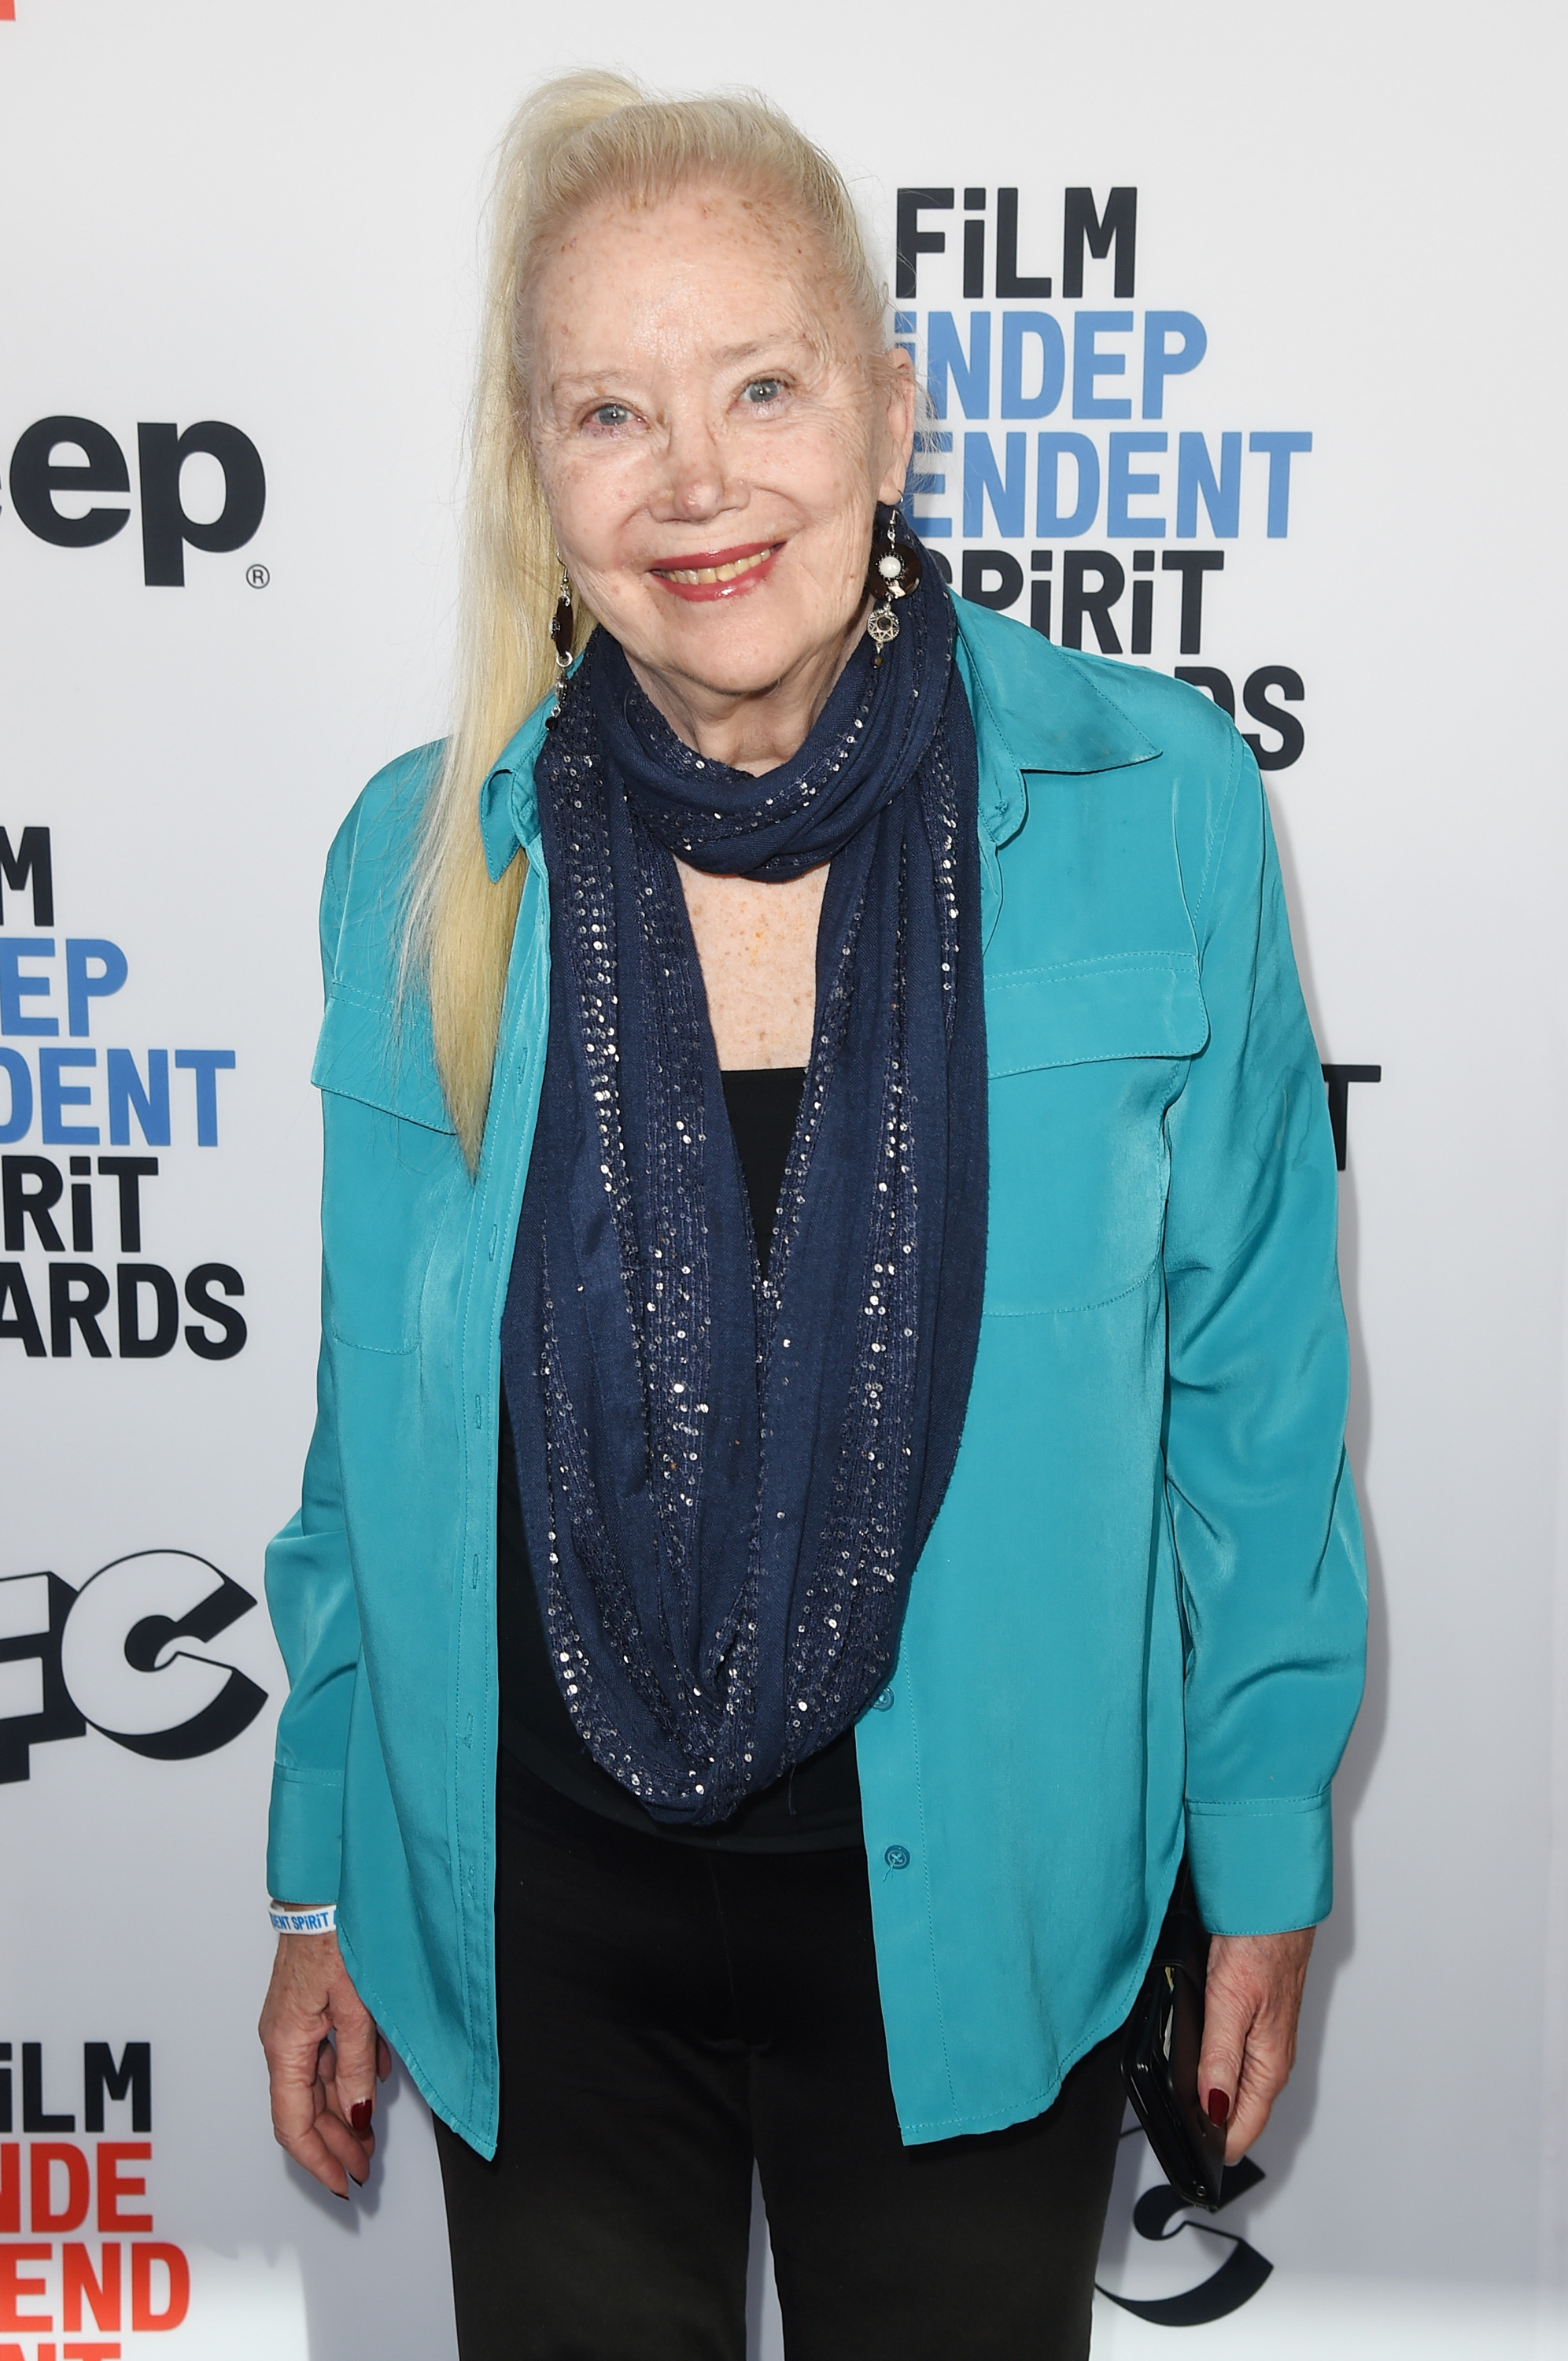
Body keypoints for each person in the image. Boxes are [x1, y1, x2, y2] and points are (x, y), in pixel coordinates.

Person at [257, 70, 1367, 2361]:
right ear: (534, 477)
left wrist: (1259, 1851)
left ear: (885, 407)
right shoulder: (416, 858)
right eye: (607, 412)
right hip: (531, 1939)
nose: (693, 482)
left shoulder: (1148, 802)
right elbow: (370, 1424)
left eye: (761, 384)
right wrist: (318, 1868)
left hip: (984, 1921)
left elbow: (1251, 1395)